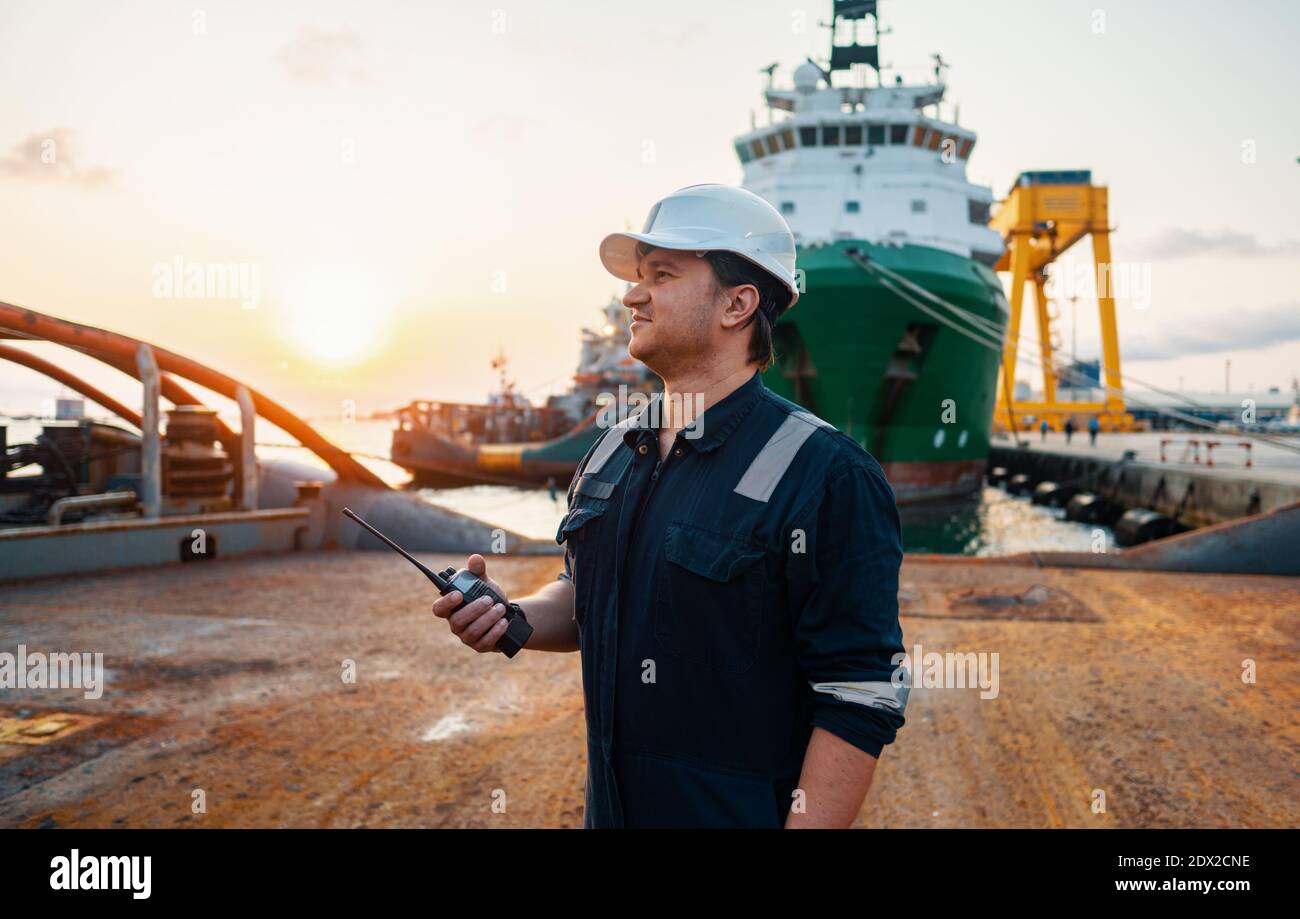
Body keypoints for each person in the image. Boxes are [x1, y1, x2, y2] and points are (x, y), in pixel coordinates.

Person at [430, 184, 907, 828]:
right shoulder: (612, 450)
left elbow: (860, 693)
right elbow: (586, 590)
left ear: (738, 304)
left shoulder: (827, 474)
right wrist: (511, 618)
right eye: (636, 277)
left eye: (661, 275)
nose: (631, 295)